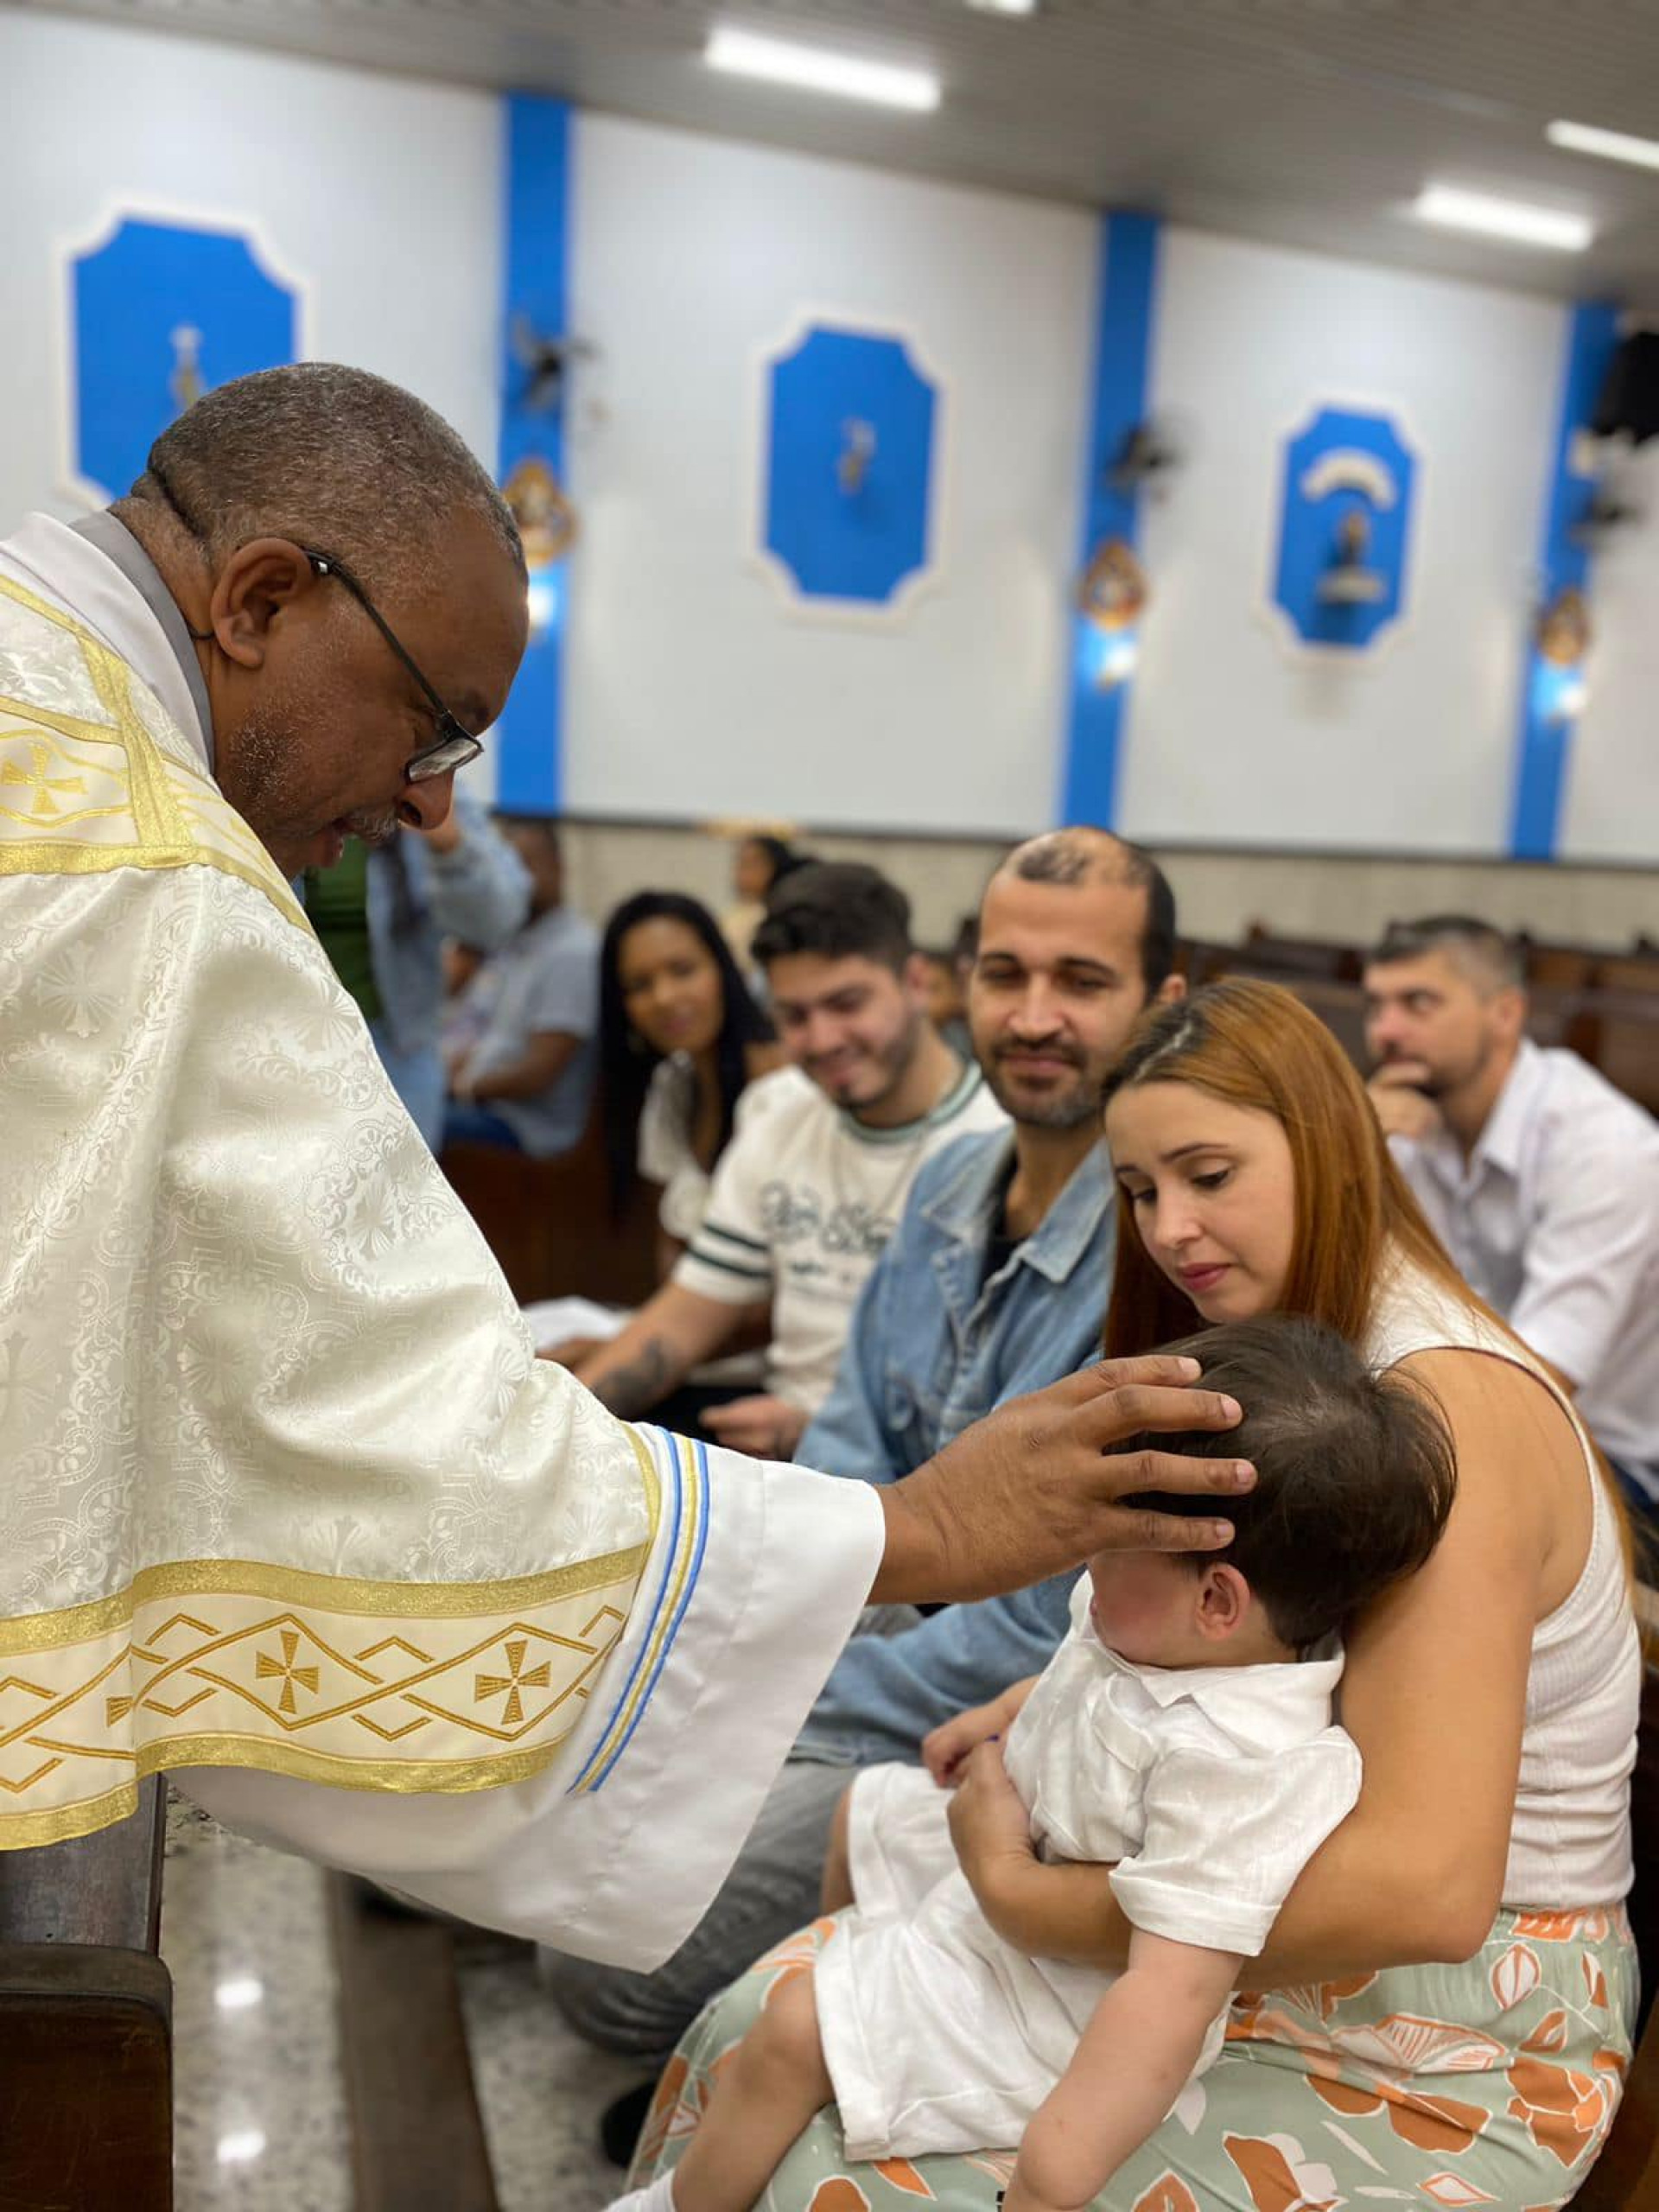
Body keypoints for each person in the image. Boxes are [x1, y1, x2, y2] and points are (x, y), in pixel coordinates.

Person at [0, 362, 1258, 1965]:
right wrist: (912, 1535)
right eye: (435, 724)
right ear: (259, 598)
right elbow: (394, 1425)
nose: (430, 809)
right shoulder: (142, 869)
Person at [632, 976, 1641, 2206]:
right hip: (1237, 1877)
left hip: (1442, 2003)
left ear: (1326, 1148)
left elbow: (1425, 1889)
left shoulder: (1444, 1417)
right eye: (1139, 1191)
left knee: (837, 2171)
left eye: (1210, 1177)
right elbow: (1245, 1652)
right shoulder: (1292, 1335)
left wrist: (1025, 1898)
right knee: (775, 2025)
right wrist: (1035, 1710)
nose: (1168, 1229)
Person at [545, 827, 1182, 2117]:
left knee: (591, 1973)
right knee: (553, 1798)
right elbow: (848, 1460)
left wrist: (785, 1687)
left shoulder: (1163, 1249)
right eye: (1007, 974)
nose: (1036, 1016)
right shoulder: (954, 1181)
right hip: (858, 1651)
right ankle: (765, 2026)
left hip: (987, 1726)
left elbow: (1041, 1627)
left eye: (1083, 981)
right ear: (960, 982)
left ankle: (792, 2030)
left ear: (1161, 1007)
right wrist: (749, 1656)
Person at [607, 1316, 1456, 2212]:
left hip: (1054, 2012)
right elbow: (1079, 1673)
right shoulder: (1158, 1620)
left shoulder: (1242, 1767)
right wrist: (1000, 1715)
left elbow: (1168, 1999)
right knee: (863, 1811)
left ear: (1217, 1597)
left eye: (1109, 1539)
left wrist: (1052, 2179)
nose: (1084, 1554)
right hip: (1011, 1874)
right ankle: (873, 1977)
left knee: (789, 2031)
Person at [569, 862, 1006, 1460]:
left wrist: (817, 1430)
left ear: (916, 983)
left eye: (846, 1004)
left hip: (918, 1476)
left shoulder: (998, 1144)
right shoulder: (779, 1113)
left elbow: (993, 1401)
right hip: (773, 1454)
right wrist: (548, 1425)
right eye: (795, 1016)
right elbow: (684, 1318)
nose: (822, 1039)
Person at [1363, 915, 1659, 1514]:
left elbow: (1542, 1381)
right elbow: (1362, 1309)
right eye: (1377, 1006)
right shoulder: (1406, 1125)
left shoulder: (1602, 1146)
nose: (1385, 1033)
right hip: (1457, 1420)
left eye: (1418, 1003)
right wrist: (1354, 1146)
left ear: (1505, 1013)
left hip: (1605, 1458)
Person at [302, 786, 530, 1148]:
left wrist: (450, 846)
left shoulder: (424, 783)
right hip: (294, 1045)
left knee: (398, 1197)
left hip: (397, 1050)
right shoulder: (295, 787)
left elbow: (500, 919)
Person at [598, 891, 785, 1274]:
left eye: (682, 971)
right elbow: (670, 1255)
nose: (664, 998)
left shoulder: (781, 1087)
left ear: (723, 970)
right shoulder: (673, 1086)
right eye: (639, 985)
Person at [441, 815, 599, 1157]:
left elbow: (539, 1073)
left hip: (527, 1128)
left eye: (527, 865)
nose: (514, 881)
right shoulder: (511, 942)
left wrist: (460, 1086)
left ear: (558, 866)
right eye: (505, 870)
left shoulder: (573, 952)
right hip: (485, 1106)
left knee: (411, 1125)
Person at [722, 830, 808, 971]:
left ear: (775, 866)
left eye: (752, 864)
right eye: (740, 863)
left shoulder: (782, 916)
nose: (742, 872)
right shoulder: (735, 915)